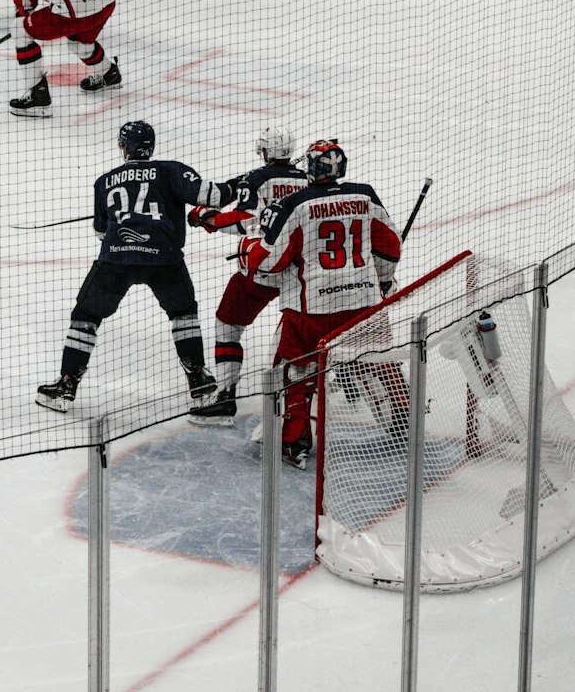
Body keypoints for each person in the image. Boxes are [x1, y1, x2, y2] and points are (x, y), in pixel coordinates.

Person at [36, 120, 235, 413]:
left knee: (86, 316)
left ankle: (67, 385)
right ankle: (198, 378)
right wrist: (244, 183)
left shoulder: (105, 181)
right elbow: (214, 196)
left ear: (123, 147)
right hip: (163, 258)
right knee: (183, 313)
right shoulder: (170, 170)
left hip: (117, 258)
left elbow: (102, 232)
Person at [241, 139, 402, 468]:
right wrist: (382, 279)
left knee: (294, 370)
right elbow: (390, 247)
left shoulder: (295, 204)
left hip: (312, 309)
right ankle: (403, 416)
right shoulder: (364, 195)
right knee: (380, 359)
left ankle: (295, 440)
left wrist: (249, 248)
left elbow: (271, 261)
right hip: (364, 303)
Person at [187, 124, 309, 424]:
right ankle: (328, 384)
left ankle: (226, 397)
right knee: (305, 332)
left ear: (266, 151)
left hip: (262, 267)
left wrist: (207, 218)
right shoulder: (309, 179)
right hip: (301, 270)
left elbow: (246, 221)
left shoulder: (256, 179)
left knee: (227, 325)